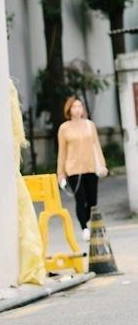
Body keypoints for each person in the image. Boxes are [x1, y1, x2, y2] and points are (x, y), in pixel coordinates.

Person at [57, 95, 108, 241]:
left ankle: (85, 220)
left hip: (90, 167)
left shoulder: (89, 125)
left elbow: (96, 145)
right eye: (74, 107)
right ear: (69, 109)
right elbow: (62, 152)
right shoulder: (64, 128)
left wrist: (102, 165)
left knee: (92, 200)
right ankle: (84, 228)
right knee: (81, 199)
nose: (77, 109)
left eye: (80, 106)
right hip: (73, 170)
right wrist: (60, 174)